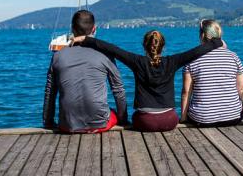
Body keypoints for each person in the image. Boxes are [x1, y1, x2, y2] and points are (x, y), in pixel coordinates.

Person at [74, 30, 223, 131]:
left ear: (145, 46)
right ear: (162, 47)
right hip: (169, 120)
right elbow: (195, 52)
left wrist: (86, 39)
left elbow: (112, 49)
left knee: (130, 116)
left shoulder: (137, 61)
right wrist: (217, 43)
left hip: (144, 122)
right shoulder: (172, 61)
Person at [43, 10, 128, 133]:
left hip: (67, 125)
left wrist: (48, 122)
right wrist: (123, 120)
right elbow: (118, 89)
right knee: (113, 112)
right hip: (99, 124)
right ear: (94, 29)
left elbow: (50, 92)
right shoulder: (105, 54)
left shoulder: (58, 56)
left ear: (72, 29)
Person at [181, 19, 243, 127]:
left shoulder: (192, 59)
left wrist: (183, 118)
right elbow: (241, 89)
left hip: (202, 119)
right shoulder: (233, 57)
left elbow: (186, 92)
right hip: (233, 117)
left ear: (202, 35)